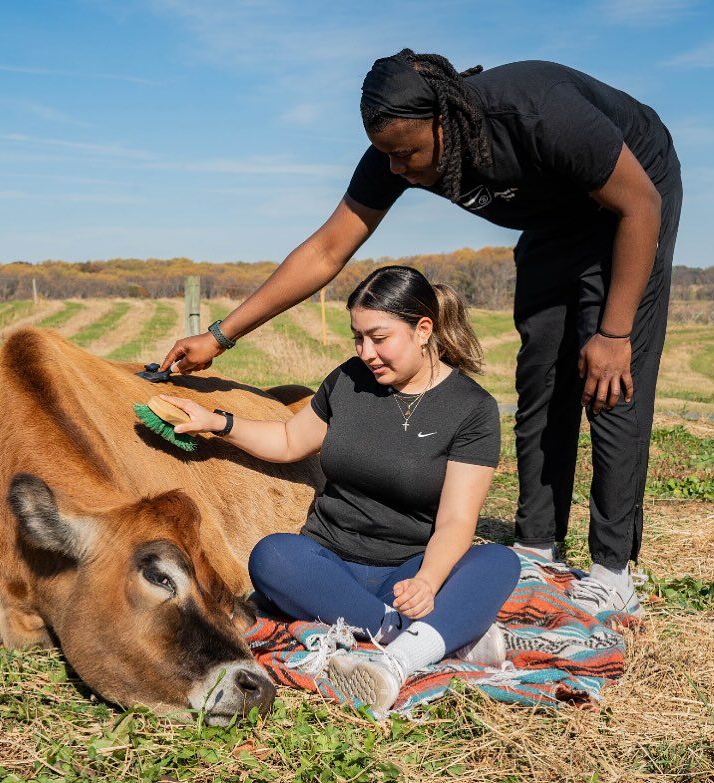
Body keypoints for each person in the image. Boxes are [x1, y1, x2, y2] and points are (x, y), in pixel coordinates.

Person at [161, 50, 683, 616]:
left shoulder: (536, 112)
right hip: (554, 221)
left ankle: (612, 569)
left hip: (631, 204)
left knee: (609, 383)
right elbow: (326, 250)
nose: (395, 169)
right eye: (386, 154)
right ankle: (538, 546)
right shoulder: (396, 149)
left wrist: (615, 333)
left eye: (406, 154)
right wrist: (220, 336)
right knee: (541, 377)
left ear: (444, 122)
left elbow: (641, 204)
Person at [159, 266, 520, 714]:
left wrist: (427, 581)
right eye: (358, 338)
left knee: (499, 562)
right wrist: (217, 422)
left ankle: (397, 660)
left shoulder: (471, 409)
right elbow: (288, 440)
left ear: (423, 330)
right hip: (330, 565)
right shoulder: (348, 380)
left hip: (410, 567)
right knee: (272, 556)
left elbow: (456, 520)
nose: (366, 352)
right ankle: (417, 634)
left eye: (379, 338)